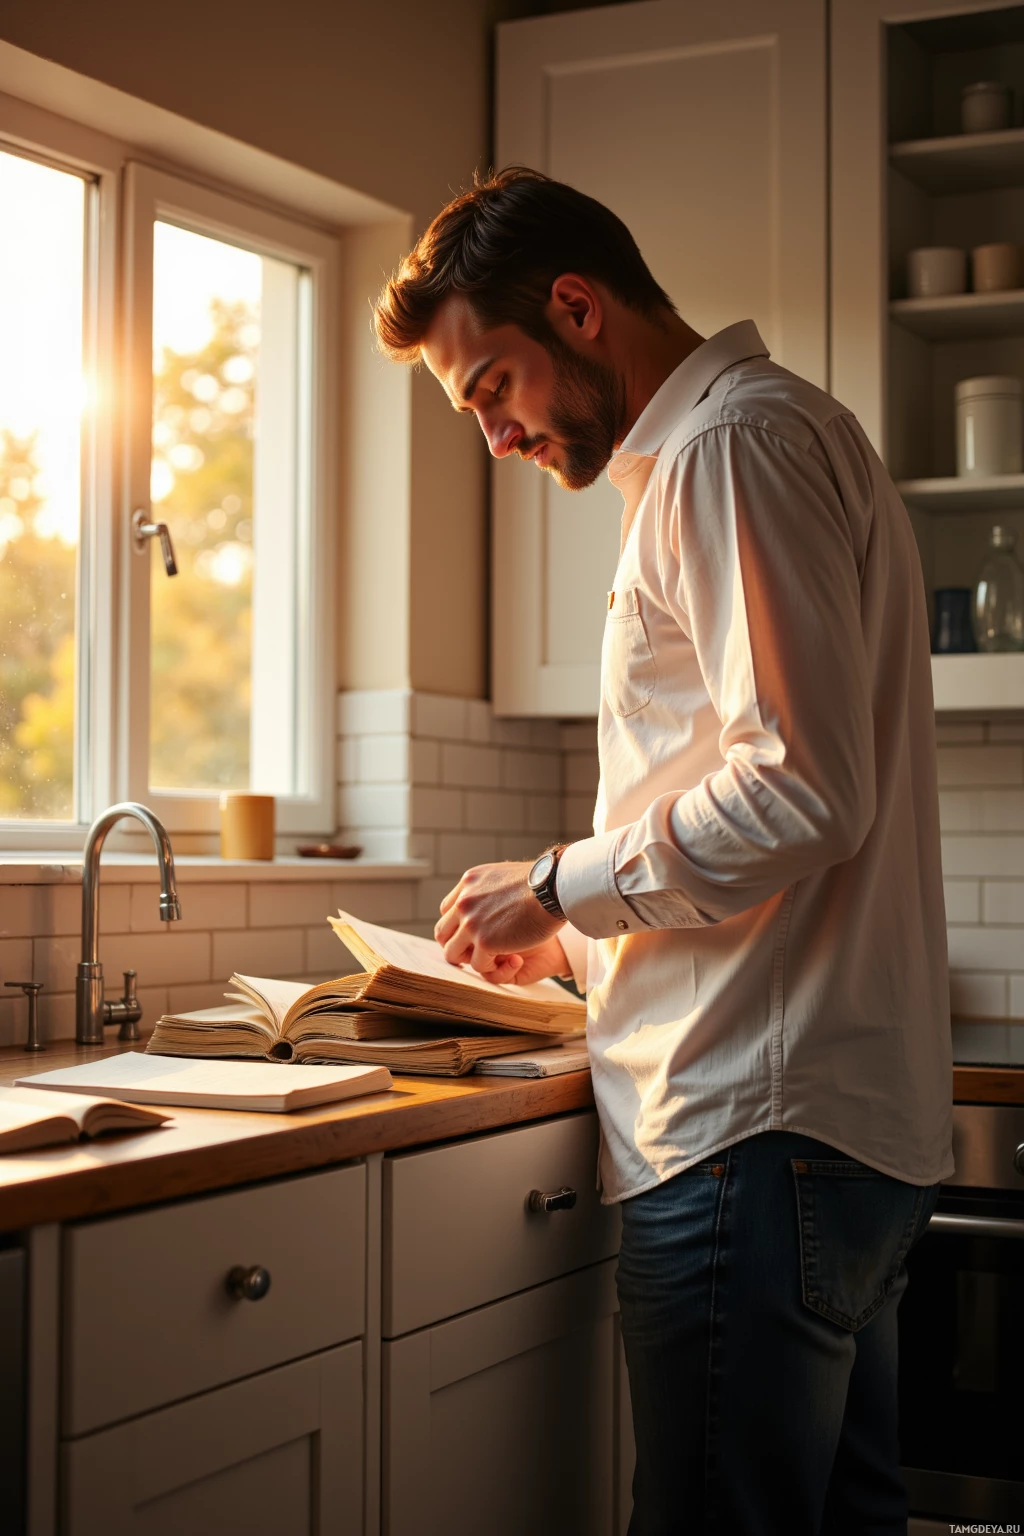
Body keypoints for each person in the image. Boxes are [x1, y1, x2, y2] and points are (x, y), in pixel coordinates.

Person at [373, 167, 952, 1535]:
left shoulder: (725, 452)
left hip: (753, 1139)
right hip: (825, 1133)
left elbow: (804, 790)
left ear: (576, 308)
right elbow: (768, 799)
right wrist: (565, 935)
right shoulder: (785, 438)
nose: (496, 435)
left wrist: (559, 879)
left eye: (490, 388)